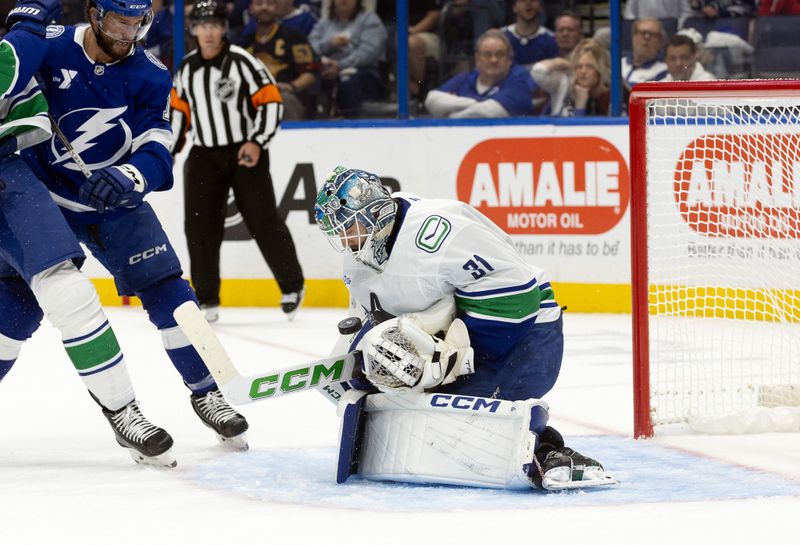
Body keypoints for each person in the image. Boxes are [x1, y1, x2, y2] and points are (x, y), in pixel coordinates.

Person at [5, 0, 250, 463]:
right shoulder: (50, 44)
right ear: (95, 13)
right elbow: (8, 79)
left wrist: (133, 176)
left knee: (170, 292)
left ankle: (207, 393)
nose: (129, 32)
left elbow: (158, 144)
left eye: (138, 22)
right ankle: (122, 410)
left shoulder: (151, 74)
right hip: (41, 200)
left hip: (112, 201)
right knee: (10, 317)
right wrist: (21, 32)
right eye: (120, 20)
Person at [312, 166, 615, 490]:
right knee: (396, 402)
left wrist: (452, 361)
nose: (345, 240)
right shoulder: (358, 254)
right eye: (339, 232)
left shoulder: (437, 231)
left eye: (350, 227)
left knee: (453, 425)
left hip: (524, 338)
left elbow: (517, 297)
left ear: (376, 213)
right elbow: (375, 320)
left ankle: (550, 450)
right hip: (457, 335)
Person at [171, 0, 305, 321]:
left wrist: (257, 141)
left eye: (214, 25)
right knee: (200, 227)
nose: (208, 32)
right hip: (203, 155)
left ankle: (292, 285)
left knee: (262, 219)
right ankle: (206, 298)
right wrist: (168, 152)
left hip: (244, 152)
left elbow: (272, 101)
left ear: (224, 28)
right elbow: (179, 115)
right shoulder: (186, 68)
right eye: (202, 26)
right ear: (193, 30)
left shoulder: (243, 62)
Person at [425, 29, 537, 118]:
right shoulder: (464, 79)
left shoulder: (518, 84)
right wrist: (476, 102)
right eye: (487, 55)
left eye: (500, 54)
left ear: (509, 60)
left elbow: (489, 112)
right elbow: (431, 100)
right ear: (477, 59)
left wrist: (451, 116)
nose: (494, 60)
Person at [238, 0, 320, 120]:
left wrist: (291, 86)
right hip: (253, 95)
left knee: (284, 101)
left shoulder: (294, 36)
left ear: (276, 7)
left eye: (269, 3)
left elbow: (311, 73)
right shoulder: (244, 41)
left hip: (285, 95)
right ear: (250, 9)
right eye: (259, 3)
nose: (264, 7)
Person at [308, 0, 387, 117]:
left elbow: (369, 52)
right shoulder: (323, 23)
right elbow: (309, 47)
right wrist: (330, 44)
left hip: (363, 72)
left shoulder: (369, 19)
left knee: (347, 80)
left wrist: (340, 65)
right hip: (326, 69)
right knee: (309, 79)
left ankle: (350, 123)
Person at [377, 0, 442, 101]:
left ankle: (421, 90)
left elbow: (434, 15)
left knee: (411, 43)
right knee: (387, 42)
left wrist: (410, 31)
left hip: (425, 33)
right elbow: (379, 19)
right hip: (392, 34)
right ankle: (413, 92)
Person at [532, 38, 610, 116]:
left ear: (600, 69)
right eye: (579, 66)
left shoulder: (610, 96)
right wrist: (559, 62)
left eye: (590, 66)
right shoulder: (565, 87)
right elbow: (538, 71)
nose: (583, 71)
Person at [502, 0, 559, 69]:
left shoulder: (552, 40)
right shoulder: (501, 38)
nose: (528, 3)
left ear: (541, 7)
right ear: (514, 7)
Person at [622, 18, 668, 94]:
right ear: (634, 37)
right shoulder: (619, 63)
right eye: (642, 33)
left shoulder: (664, 70)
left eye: (652, 34)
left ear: (660, 41)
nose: (646, 37)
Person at [623, 0, 695, 28]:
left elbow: (686, 12)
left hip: (670, 31)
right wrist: (636, 27)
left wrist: (678, 27)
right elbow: (629, 11)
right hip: (643, 29)